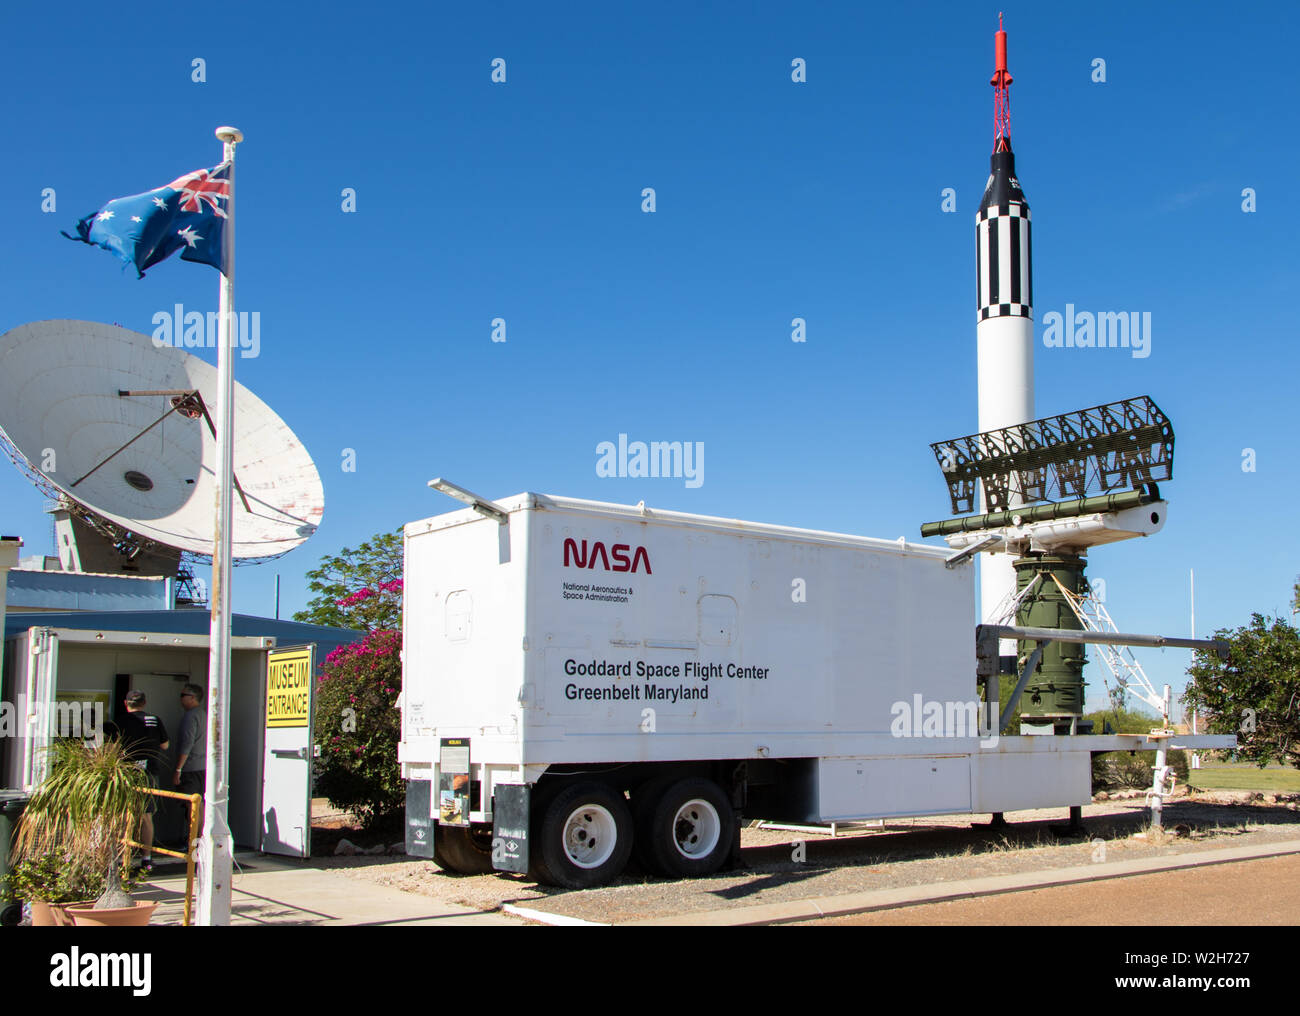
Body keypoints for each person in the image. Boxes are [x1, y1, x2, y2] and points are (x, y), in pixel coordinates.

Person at [118, 691, 169, 869]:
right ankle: (146, 858)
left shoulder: (120, 721)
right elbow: (165, 744)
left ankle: (122, 856)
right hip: (149, 772)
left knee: (125, 815)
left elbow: (111, 746)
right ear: (144, 703)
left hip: (126, 773)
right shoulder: (154, 720)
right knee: (146, 816)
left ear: (126, 703)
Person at [173, 684, 207, 843]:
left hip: (191, 767)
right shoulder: (204, 714)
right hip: (202, 767)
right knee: (199, 805)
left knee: (192, 806)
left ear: (193, 697)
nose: (180, 698)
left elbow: (187, 743)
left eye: (183, 695)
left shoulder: (191, 716)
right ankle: (198, 841)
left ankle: (193, 842)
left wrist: (178, 768)